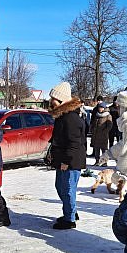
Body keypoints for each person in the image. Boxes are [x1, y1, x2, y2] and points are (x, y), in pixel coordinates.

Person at [48, 81, 86, 230]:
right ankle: (72, 211)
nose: (51, 101)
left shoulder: (70, 118)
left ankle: (69, 219)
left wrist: (65, 161)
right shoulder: (64, 116)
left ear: (62, 100)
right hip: (64, 159)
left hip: (70, 161)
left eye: (54, 99)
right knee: (61, 187)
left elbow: (74, 143)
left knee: (67, 189)